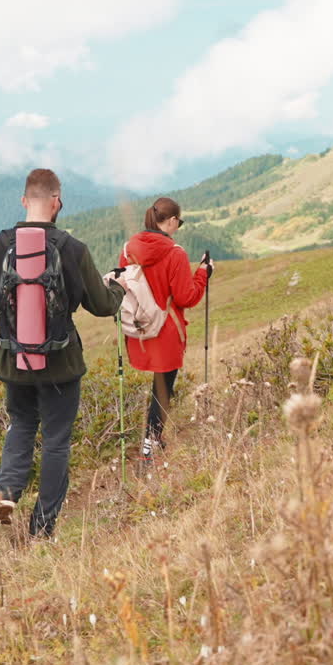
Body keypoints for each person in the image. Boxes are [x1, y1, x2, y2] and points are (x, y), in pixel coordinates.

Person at [0, 168, 125, 538]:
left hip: (14, 362)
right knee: (56, 441)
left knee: (21, 424)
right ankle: (41, 528)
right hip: (61, 364)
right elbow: (102, 305)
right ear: (57, 203)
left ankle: (7, 494)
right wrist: (118, 289)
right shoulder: (73, 249)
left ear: (24, 200)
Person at [118, 197, 212, 466]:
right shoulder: (175, 253)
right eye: (178, 222)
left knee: (159, 389)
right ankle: (149, 448)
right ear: (171, 221)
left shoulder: (128, 249)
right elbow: (186, 297)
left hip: (139, 329)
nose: (178, 227)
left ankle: (153, 441)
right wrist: (203, 273)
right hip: (166, 331)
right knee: (162, 390)